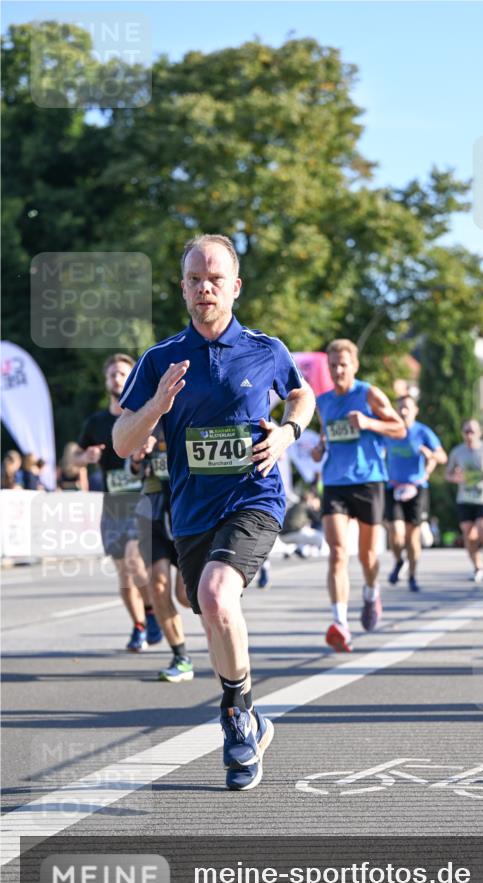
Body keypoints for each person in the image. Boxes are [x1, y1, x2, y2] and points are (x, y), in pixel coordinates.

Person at [113, 233, 315, 790]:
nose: (206, 287)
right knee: (195, 599)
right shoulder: (159, 360)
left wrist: (288, 434)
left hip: (254, 498)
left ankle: (236, 717)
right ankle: (248, 709)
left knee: (215, 595)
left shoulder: (266, 348)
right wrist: (155, 406)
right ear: (183, 288)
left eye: (216, 278)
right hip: (193, 512)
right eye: (195, 279)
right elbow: (124, 443)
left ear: (235, 287)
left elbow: (302, 395)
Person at [312, 339, 406, 653]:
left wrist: (369, 422)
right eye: (333, 365)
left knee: (367, 556)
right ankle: (340, 623)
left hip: (369, 481)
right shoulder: (322, 401)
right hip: (335, 481)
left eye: (343, 364)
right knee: (338, 552)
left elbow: (400, 428)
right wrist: (320, 447)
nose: (338, 370)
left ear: (354, 366)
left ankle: (370, 591)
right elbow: (328, 435)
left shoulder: (369, 393)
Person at [72, 354, 162, 652]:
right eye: (112, 375)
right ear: (106, 381)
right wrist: (84, 458)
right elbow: (72, 459)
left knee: (135, 560)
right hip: (113, 504)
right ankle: (140, 624)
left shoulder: (144, 415)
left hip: (142, 500)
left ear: (132, 377)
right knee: (123, 572)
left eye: (123, 374)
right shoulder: (96, 422)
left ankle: (150, 613)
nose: (117, 379)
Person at [128, 427, 193, 681]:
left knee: (186, 596)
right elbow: (130, 469)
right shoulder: (146, 417)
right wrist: (136, 457)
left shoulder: (191, 411)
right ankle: (181, 656)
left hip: (187, 514)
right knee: (158, 584)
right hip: (153, 515)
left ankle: (220, 626)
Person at [384, 394, 446, 592]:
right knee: (395, 534)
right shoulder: (390, 431)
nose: (403, 411)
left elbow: (442, 456)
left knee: (412, 537)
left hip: (416, 488)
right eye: (400, 407)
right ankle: (398, 561)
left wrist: (431, 454)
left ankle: (412, 575)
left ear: (415, 410)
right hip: (393, 486)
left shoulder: (422, 432)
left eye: (407, 408)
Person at [446, 419, 483, 584]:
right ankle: (478, 568)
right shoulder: (458, 452)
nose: (469, 435)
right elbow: (448, 473)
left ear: (479, 433)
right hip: (465, 498)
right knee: (468, 534)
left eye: (472, 431)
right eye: (466, 432)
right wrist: (455, 478)